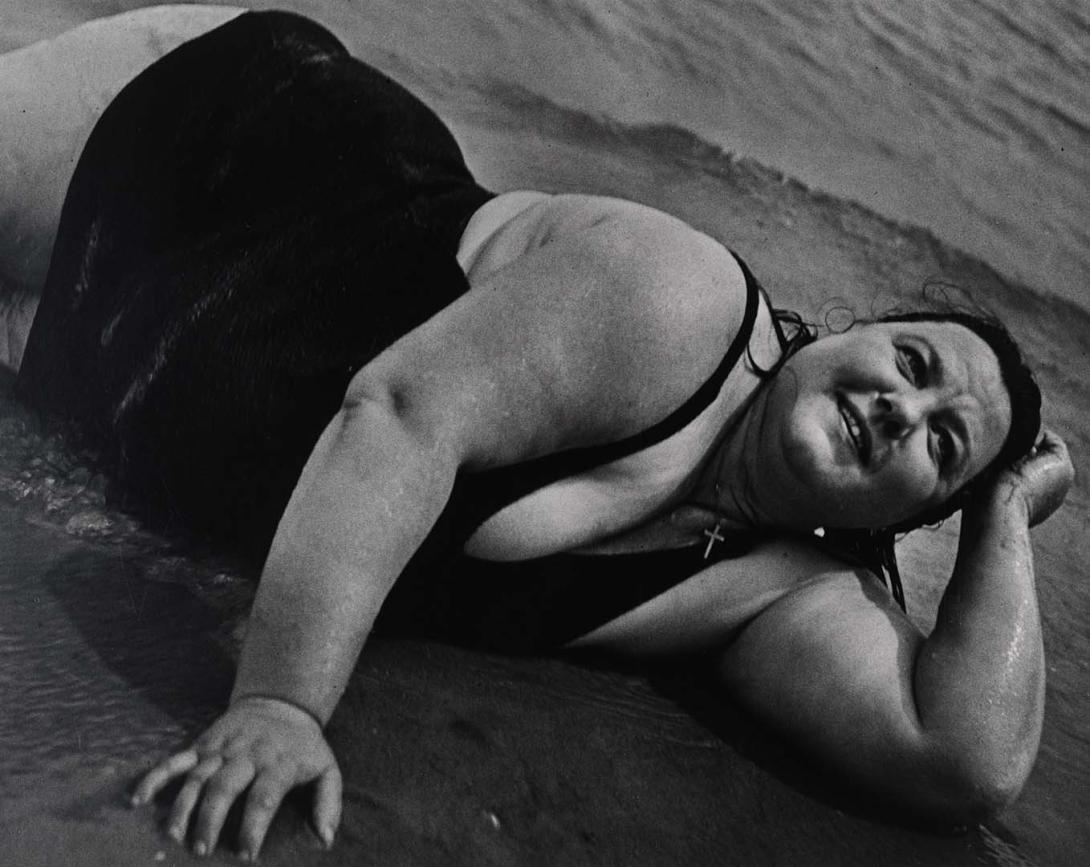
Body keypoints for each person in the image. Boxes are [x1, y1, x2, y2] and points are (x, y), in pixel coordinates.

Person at [0, 7, 1073, 861]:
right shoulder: (676, 305)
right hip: (199, 141)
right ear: (847, 337)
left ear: (912, 519)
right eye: (913, 365)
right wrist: (281, 702)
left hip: (94, 364)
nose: (900, 406)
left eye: (940, 447)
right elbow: (400, 420)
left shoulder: (763, 588)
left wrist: (1003, 517)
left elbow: (961, 767)